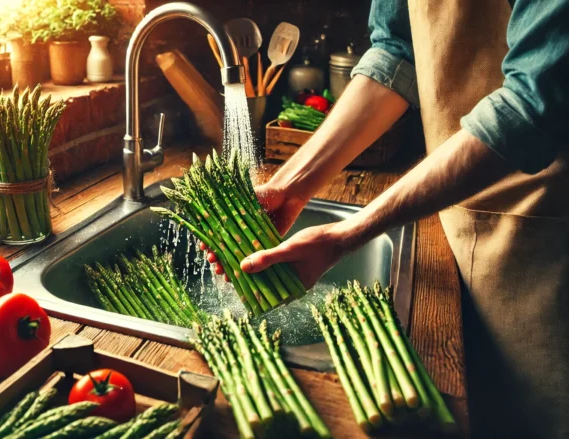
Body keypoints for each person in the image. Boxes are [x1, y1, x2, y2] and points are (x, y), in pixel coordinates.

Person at [204, 0, 569, 437]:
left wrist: (349, 232)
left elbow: (534, 102)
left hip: (546, 237)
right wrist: (292, 185)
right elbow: (396, 54)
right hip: (450, 209)